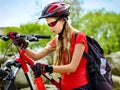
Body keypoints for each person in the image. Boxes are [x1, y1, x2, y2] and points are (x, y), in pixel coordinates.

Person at [18, 2, 89, 90]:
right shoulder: (57, 39)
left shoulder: (78, 37)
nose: (50, 28)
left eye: (52, 24)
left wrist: (47, 68)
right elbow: (36, 56)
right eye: (48, 25)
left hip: (80, 87)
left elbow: (72, 67)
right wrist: (21, 44)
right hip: (63, 87)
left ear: (63, 20)